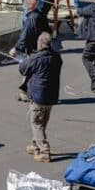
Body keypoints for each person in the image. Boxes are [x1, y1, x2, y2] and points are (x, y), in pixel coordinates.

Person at [18, 31, 62, 162]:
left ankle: (44, 151)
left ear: (40, 43)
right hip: (51, 95)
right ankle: (35, 144)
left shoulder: (35, 58)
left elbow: (23, 69)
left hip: (38, 95)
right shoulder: (57, 57)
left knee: (37, 123)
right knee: (42, 122)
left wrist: (24, 61)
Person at [10, 0, 51, 100]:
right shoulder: (40, 15)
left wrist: (17, 48)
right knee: (32, 70)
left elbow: (25, 35)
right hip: (38, 48)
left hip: (33, 48)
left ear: (29, 5)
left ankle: (23, 91)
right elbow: (48, 30)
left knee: (29, 70)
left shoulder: (32, 18)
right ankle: (24, 91)